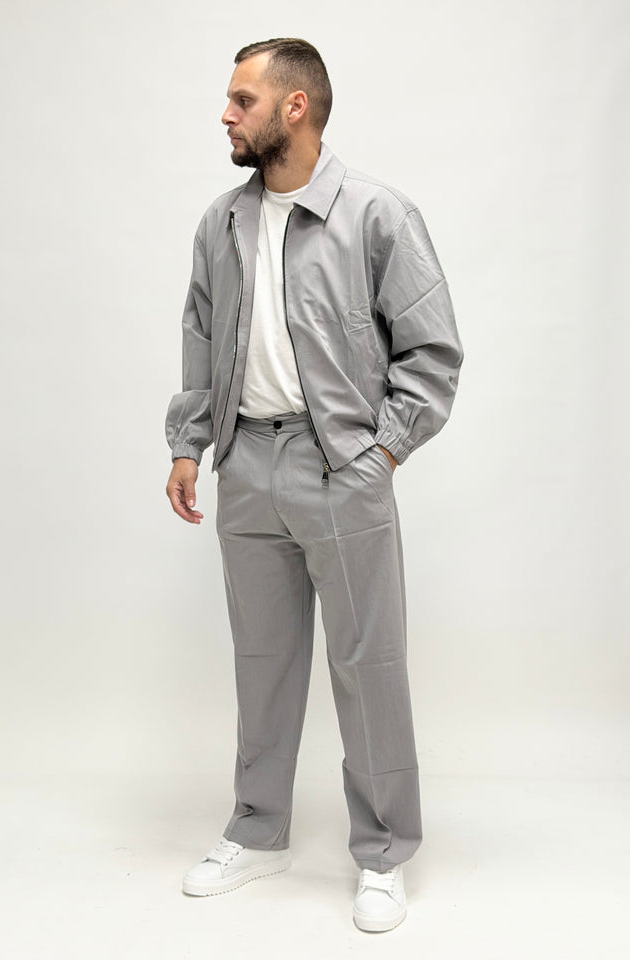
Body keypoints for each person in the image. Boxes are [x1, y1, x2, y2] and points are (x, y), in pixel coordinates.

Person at [165, 38, 463, 933]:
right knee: (263, 661)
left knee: (368, 665)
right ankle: (258, 831)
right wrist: (189, 443)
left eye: (242, 100)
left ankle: (384, 851)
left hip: (340, 469)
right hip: (245, 465)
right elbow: (200, 334)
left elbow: (432, 351)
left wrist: (383, 454)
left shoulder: (377, 214)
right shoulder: (221, 222)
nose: (226, 114)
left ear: (294, 107)